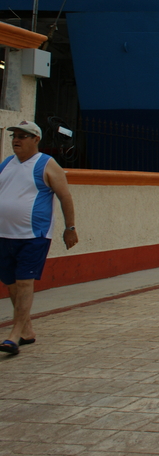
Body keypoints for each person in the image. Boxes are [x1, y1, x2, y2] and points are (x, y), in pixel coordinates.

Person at [0, 121, 78, 356]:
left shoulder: (46, 164)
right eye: (15, 135)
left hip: (33, 235)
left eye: (23, 136)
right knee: (12, 284)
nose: (17, 139)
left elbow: (65, 196)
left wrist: (70, 227)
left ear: (36, 139)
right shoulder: (6, 164)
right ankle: (27, 331)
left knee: (24, 282)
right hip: (4, 235)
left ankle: (14, 335)